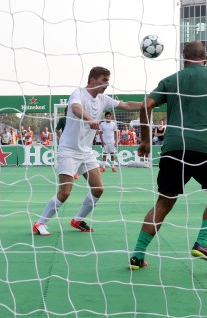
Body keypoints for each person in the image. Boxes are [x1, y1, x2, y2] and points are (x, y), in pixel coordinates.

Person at [129, 40, 207, 269]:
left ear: (184, 59)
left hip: (173, 148)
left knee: (164, 202)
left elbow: (146, 105)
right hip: (205, 148)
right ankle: (203, 243)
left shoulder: (171, 79)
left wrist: (146, 140)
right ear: (206, 59)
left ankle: (137, 255)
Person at [32, 66, 142, 236]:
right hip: (68, 150)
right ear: (92, 80)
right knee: (65, 192)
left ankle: (77, 220)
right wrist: (90, 119)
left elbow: (126, 105)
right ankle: (40, 223)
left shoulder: (103, 99)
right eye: (103, 80)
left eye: (108, 81)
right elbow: (76, 109)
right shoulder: (78, 93)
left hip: (86, 152)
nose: (107, 84)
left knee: (98, 189)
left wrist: (148, 104)